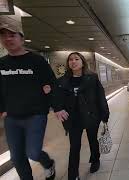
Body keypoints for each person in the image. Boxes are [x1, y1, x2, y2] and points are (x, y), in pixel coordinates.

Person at [0, 24, 56, 180]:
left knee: (33, 152)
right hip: (11, 117)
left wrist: (50, 99)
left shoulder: (36, 60)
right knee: (16, 157)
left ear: (21, 38)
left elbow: (52, 83)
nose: (8, 39)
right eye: (4, 36)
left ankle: (48, 163)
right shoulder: (2, 63)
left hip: (35, 115)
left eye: (12, 35)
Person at [53, 52, 110, 180]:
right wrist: (58, 108)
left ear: (82, 62)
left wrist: (105, 114)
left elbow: (100, 97)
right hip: (73, 119)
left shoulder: (92, 78)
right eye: (70, 60)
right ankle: (73, 175)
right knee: (74, 146)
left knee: (92, 140)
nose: (73, 61)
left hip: (91, 115)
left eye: (76, 59)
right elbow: (56, 98)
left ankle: (95, 160)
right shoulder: (62, 81)